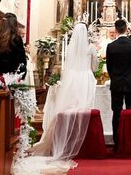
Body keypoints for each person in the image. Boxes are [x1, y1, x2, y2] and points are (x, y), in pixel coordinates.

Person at [20, 23, 98, 173]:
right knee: (84, 109)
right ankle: (84, 142)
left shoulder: (70, 48)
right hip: (86, 80)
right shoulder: (91, 48)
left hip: (72, 80)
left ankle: (63, 142)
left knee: (69, 109)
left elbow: (67, 66)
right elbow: (94, 67)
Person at [106, 18, 131, 147]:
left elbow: (109, 67)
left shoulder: (111, 47)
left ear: (115, 30)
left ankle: (117, 141)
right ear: (126, 29)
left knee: (116, 112)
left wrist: (115, 77)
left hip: (116, 82)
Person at [0, 12, 27, 77]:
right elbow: (21, 59)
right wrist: (22, 74)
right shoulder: (16, 39)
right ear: (14, 24)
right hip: (11, 76)